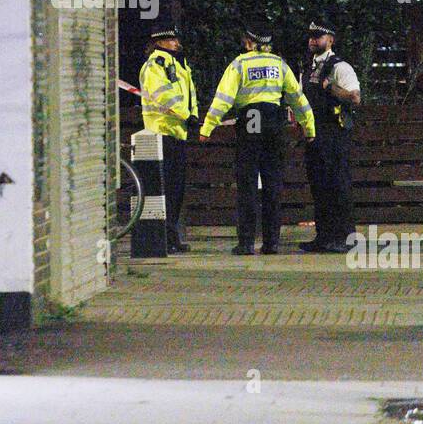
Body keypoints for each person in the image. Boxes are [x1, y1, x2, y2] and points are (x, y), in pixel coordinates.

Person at [199, 23, 315, 255]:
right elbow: (296, 97)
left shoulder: (240, 64)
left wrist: (208, 126)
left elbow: (224, 98)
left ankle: (246, 243)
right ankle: (272, 243)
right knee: (273, 185)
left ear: (250, 42)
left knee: (247, 185)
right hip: (274, 123)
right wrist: (309, 127)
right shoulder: (279, 64)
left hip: (250, 124)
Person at [297, 20, 360, 253]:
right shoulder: (307, 66)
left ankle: (345, 238)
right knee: (319, 186)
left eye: (319, 36)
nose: (313, 40)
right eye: (311, 36)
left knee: (338, 185)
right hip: (314, 134)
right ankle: (323, 237)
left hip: (335, 133)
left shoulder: (340, 67)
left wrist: (329, 87)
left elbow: (355, 98)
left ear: (331, 40)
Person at [139, 26, 199, 253]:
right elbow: (163, 95)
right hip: (161, 131)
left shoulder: (178, 64)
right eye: (171, 38)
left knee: (176, 189)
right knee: (166, 189)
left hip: (176, 132)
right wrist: (187, 115)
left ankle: (171, 236)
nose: (176, 42)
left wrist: (192, 114)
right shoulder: (157, 64)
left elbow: (189, 94)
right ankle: (165, 238)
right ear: (160, 42)